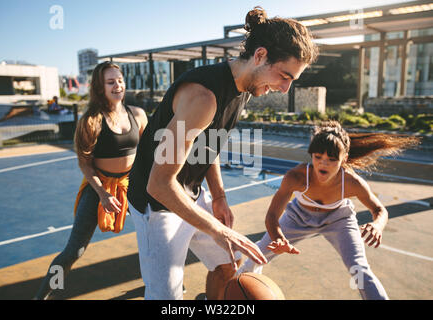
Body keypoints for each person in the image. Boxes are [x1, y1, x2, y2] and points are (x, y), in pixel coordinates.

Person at [127, 7, 319, 300]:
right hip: (157, 203)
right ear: (259, 56)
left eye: (292, 80)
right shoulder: (203, 97)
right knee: (166, 298)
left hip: (191, 190)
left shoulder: (244, 86)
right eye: (283, 76)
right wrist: (220, 230)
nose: (285, 88)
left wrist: (218, 196)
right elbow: (159, 183)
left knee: (229, 264)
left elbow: (208, 143)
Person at [238, 120, 420, 300]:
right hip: (298, 217)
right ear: (312, 156)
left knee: (359, 269)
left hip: (338, 219)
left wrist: (377, 225)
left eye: (332, 160)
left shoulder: (351, 182)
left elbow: (379, 209)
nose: (323, 164)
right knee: (254, 258)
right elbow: (272, 215)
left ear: (344, 159)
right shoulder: (296, 177)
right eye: (318, 157)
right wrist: (278, 239)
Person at [34, 62, 148, 299]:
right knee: (73, 251)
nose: (117, 85)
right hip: (100, 188)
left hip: (130, 185)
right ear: (100, 87)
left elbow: (146, 152)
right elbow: (85, 163)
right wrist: (103, 194)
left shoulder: (138, 114)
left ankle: (159, 284)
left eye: (119, 80)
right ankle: (42, 294)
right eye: (110, 82)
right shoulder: (91, 121)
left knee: (153, 237)